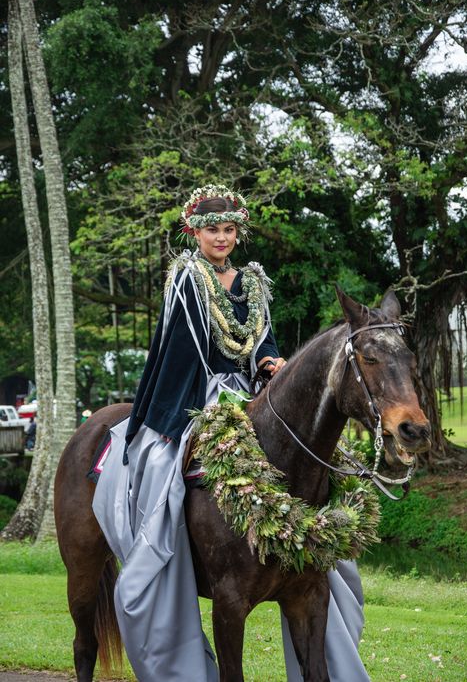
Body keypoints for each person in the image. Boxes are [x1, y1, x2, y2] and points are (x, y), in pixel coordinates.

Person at [92, 184, 369, 681]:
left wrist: (270, 364)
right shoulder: (186, 278)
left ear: (237, 232)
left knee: (322, 463)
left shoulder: (253, 282)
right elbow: (190, 345)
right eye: (212, 229)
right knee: (161, 468)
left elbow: (260, 338)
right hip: (197, 396)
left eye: (229, 229)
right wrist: (223, 396)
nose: (221, 237)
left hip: (252, 391)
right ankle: (155, 552)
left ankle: (327, 581)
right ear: (194, 233)